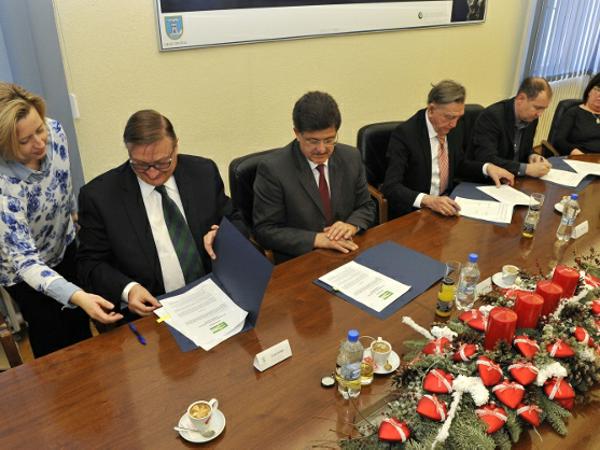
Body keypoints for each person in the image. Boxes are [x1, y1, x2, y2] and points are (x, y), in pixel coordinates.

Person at [76, 109, 246, 317]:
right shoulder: (100, 197)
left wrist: (222, 234)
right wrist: (128, 290)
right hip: (153, 312)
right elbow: (89, 264)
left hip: (216, 296)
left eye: (162, 162)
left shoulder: (202, 173)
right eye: (141, 165)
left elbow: (236, 221)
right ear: (129, 153)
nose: (153, 173)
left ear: (176, 147)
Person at [0, 83, 122, 357]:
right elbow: (26, 263)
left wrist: (76, 216)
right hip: (24, 272)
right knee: (52, 338)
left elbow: (62, 180)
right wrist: (77, 295)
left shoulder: (54, 131)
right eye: (24, 141)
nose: (39, 143)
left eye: (39, 129)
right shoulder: (4, 187)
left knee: (79, 325)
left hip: (63, 244)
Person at [253, 91, 375, 263]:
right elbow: (265, 230)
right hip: (302, 260)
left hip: (347, 252)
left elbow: (366, 206)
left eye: (329, 140)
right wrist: (316, 239)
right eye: (313, 141)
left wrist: (351, 225)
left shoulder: (351, 157)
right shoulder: (273, 169)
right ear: (297, 133)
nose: (322, 149)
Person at [381, 80, 514, 218]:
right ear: (431, 110)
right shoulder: (405, 134)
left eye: (458, 117)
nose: (454, 124)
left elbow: (458, 165)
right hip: (416, 211)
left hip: (448, 204)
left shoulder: (453, 127)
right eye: (449, 117)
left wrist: (487, 168)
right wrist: (428, 200)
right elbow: (391, 187)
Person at [468, 76, 553, 177]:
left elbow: (525, 149)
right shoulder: (492, 116)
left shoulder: (531, 117)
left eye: (544, 109)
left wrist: (532, 156)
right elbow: (487, 158)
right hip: (488, 181)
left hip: (514, 179)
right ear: (521, 98)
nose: (540, 114)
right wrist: (525, 169)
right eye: (537, 108)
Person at [554, 73, 600, 155]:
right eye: (598, 90)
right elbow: (559, 141)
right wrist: (577, 154)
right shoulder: (573, 112)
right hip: (578, 157)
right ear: (589, 91)